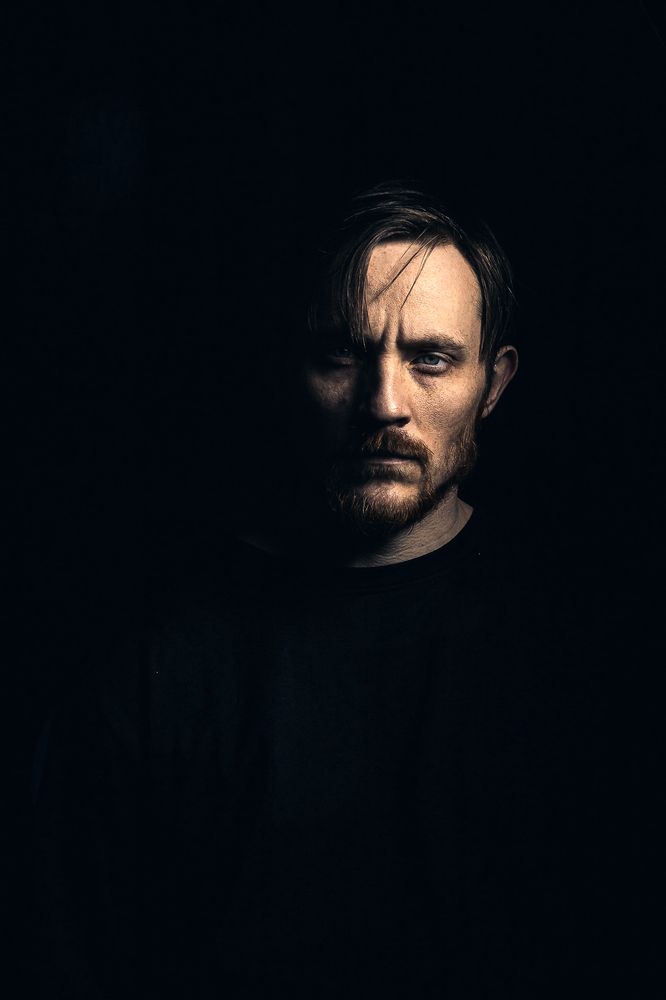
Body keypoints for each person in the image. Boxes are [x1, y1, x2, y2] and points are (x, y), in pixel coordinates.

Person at [32, 184, 604, 998]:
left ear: (493, 383)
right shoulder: (156, 662)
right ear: (287, 368)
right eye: (342, 354)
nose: (384, 404)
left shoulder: (582, 649)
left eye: (431, 359)